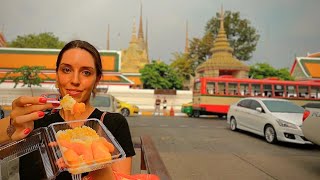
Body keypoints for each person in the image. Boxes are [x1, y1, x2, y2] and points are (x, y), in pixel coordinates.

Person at [0, 40, 135, 180]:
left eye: (86, 72)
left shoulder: (112, 124)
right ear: (57, 75)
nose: (75, 80)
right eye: (66, 70)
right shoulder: (33, 120)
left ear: (97, 79)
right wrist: (10, 128)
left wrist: (99, 164)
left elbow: (122, 177)